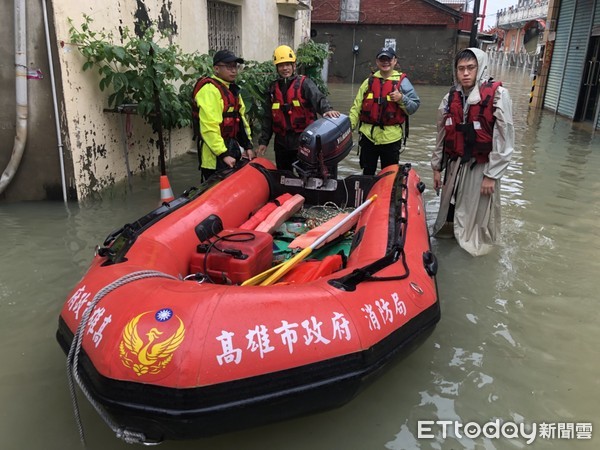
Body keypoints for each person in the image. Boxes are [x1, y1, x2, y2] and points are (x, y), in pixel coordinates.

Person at [431, 47, 514, 256]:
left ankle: (475, 253)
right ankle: (448, 246)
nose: (465, 73)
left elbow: (504, 139)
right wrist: (436, 168)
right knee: (447, 217)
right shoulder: (449, 98)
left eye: (470, 68)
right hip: (454, 164)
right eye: (461, 69)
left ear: (480, 68)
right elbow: (441, 135)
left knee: (477, 220)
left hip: (481, 166)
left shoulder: (498, 96)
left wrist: (491, 176)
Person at [257, 45, 340, 172]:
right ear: (277, 68)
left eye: (288, 65)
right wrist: (264, 142)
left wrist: (327, 109)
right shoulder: (273, 89)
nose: (285, 68)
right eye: (281, 65)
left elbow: (318, 98)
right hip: (281, 143)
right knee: (284, 176)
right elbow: (268, 118)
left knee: (307, 175)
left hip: (304, 141)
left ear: (294, 66)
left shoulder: (304, 84)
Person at [349, 47, 420, 175]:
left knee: (389, 175)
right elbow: (356, 107)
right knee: (367, 172)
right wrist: (349, 129)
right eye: (382, 59)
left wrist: (401, 98)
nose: (385, 62)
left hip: (391, 139)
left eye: (389, 59)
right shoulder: (368, 82)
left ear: (394, 61)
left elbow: (414, 106)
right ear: (377, 62)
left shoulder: (403, 83)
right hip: (368, 137)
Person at [194, 49, 255, 181]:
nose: (234, 70)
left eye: (235, 66)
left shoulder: (232, 90)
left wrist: (248, 146)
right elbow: (209, 127)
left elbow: (241, 121)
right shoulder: (209, 90)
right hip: (214, 157)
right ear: (216, 69)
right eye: (228, 67)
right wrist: (223, 154)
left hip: (232, 149)